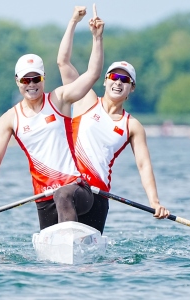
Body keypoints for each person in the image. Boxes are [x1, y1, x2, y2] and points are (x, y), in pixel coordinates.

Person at [0, 6, 105, 232]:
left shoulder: (59, 99)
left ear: (43, 78)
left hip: (76, 190)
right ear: (17, 81)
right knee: (49, 264)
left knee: (63, 194)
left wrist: (96, 38)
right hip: (44, 198)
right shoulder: (8, 119)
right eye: (25, 80)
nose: (31, 85)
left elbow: (92, 74)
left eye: (35, 78)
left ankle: (71, 241)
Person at [57, 6, 170, 234]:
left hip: (98, 196)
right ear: (105, 81)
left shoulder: (132, 125)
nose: (118, 82)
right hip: (68, 190)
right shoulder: (85, 100)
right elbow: (63, 63)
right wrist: (76, 24)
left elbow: (143, 165)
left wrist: (155, 201)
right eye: (114, 77)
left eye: (125, 80)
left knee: (92, 268)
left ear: (131, 89)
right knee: (64, 194)